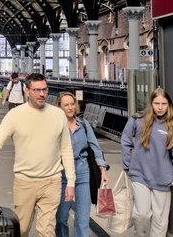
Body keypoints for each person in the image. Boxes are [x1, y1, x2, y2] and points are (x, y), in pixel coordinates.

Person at [0, 73, 75, 237]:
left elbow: (66, 149)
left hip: (52, 181)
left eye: (44, 89)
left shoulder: (58, 115)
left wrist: (71, 181)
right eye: (37, 90)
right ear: (27, 91)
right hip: (25, 182)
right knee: (21, 230)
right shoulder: (15, 115)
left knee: (47, 231)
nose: (42, 94)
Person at [121, 88, 173, 237]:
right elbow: (126, 140)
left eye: (163, 103)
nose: (160, 107)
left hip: (163, 179)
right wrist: (128, 163)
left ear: (169, 105)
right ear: (151, 103)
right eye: (156, 103)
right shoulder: (138, 119)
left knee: (160, 220)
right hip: (140, 175)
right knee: (142, 214)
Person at [55, 92, 109, 237]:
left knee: (82, 219)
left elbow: (95, 147)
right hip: (62, 175)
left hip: (83, 172)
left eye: (72, 104)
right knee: (60, 218)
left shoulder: (83, 124)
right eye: (66, 105)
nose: (70, 107)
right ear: (59, 107)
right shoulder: (55, 126)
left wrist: (102, 169)